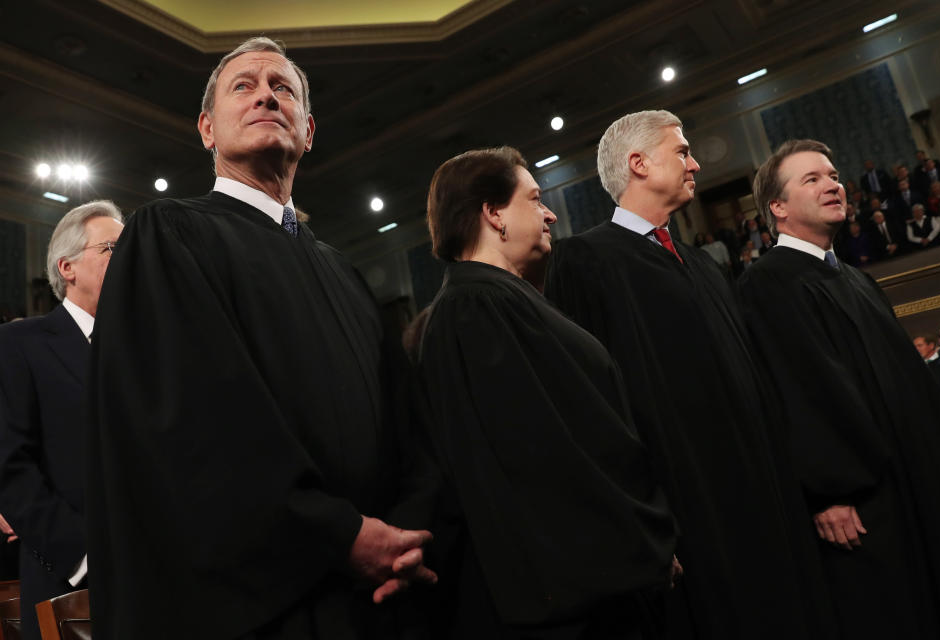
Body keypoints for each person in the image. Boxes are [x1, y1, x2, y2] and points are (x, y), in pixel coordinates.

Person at [85, 37, 436, 639]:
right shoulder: (168, 235)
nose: (266, 96)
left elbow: (409, 424)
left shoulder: (343, 272)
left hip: (378, 596)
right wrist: (337, 534)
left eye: (284, 88)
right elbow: (192, 424)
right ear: (206, 129)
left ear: (309, 129)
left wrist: (407, 533)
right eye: (243, 86)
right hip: (263, 601)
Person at [545, 110, 832, 640]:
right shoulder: (583, 260)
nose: (695, 162)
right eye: (682, 151)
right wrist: (643, 524)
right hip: (686, 512)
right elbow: (590, 407)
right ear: (638, 163)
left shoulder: (704, 265)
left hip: (765, 501)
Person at [412, 146, 677, 638]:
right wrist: (637, 544)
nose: (550, 212)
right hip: (582, 597)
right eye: (534, 200)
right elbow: (548, 459)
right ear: (493, 214)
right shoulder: (476, 307)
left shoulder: (501, 299)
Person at [739, 139, 940, 640]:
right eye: (811, 179)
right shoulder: (769, 282)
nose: (833, 185)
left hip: (915, 482)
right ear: (777, 207)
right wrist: (829, 491)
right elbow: (800, 392)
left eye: (834, 175)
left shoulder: (857, 281)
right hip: (859, 503)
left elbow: (908, 380)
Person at [0, 201, 122, 640]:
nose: (129, 260)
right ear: (67, 267)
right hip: (69, 581)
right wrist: (84, 558)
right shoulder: (19, 343)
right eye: (112, 248)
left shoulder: (146, 351)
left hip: (162, 574)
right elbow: (10, 466)